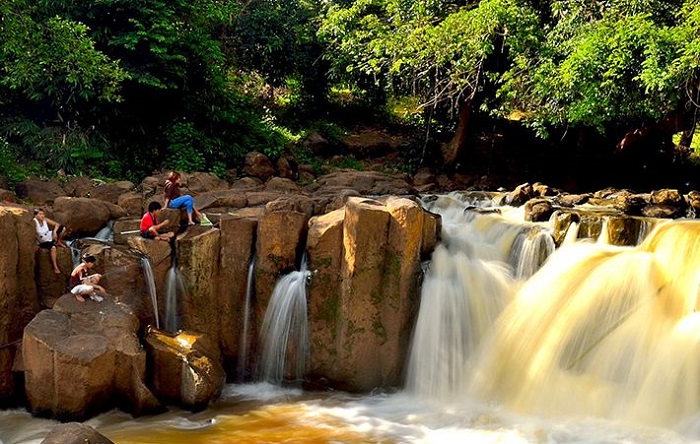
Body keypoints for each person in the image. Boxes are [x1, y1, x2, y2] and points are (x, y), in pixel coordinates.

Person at [33, 208, 66, 274]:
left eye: (43, 214)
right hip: (43, 241)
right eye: (40, 214)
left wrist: (54, 231)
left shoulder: (45, 220)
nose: (42, 216)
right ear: (35, 215)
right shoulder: (34, 222)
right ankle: (55, 267)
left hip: (49, 236)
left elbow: (57, 224)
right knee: (53, 248)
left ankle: (58, 241)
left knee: (63, 228)